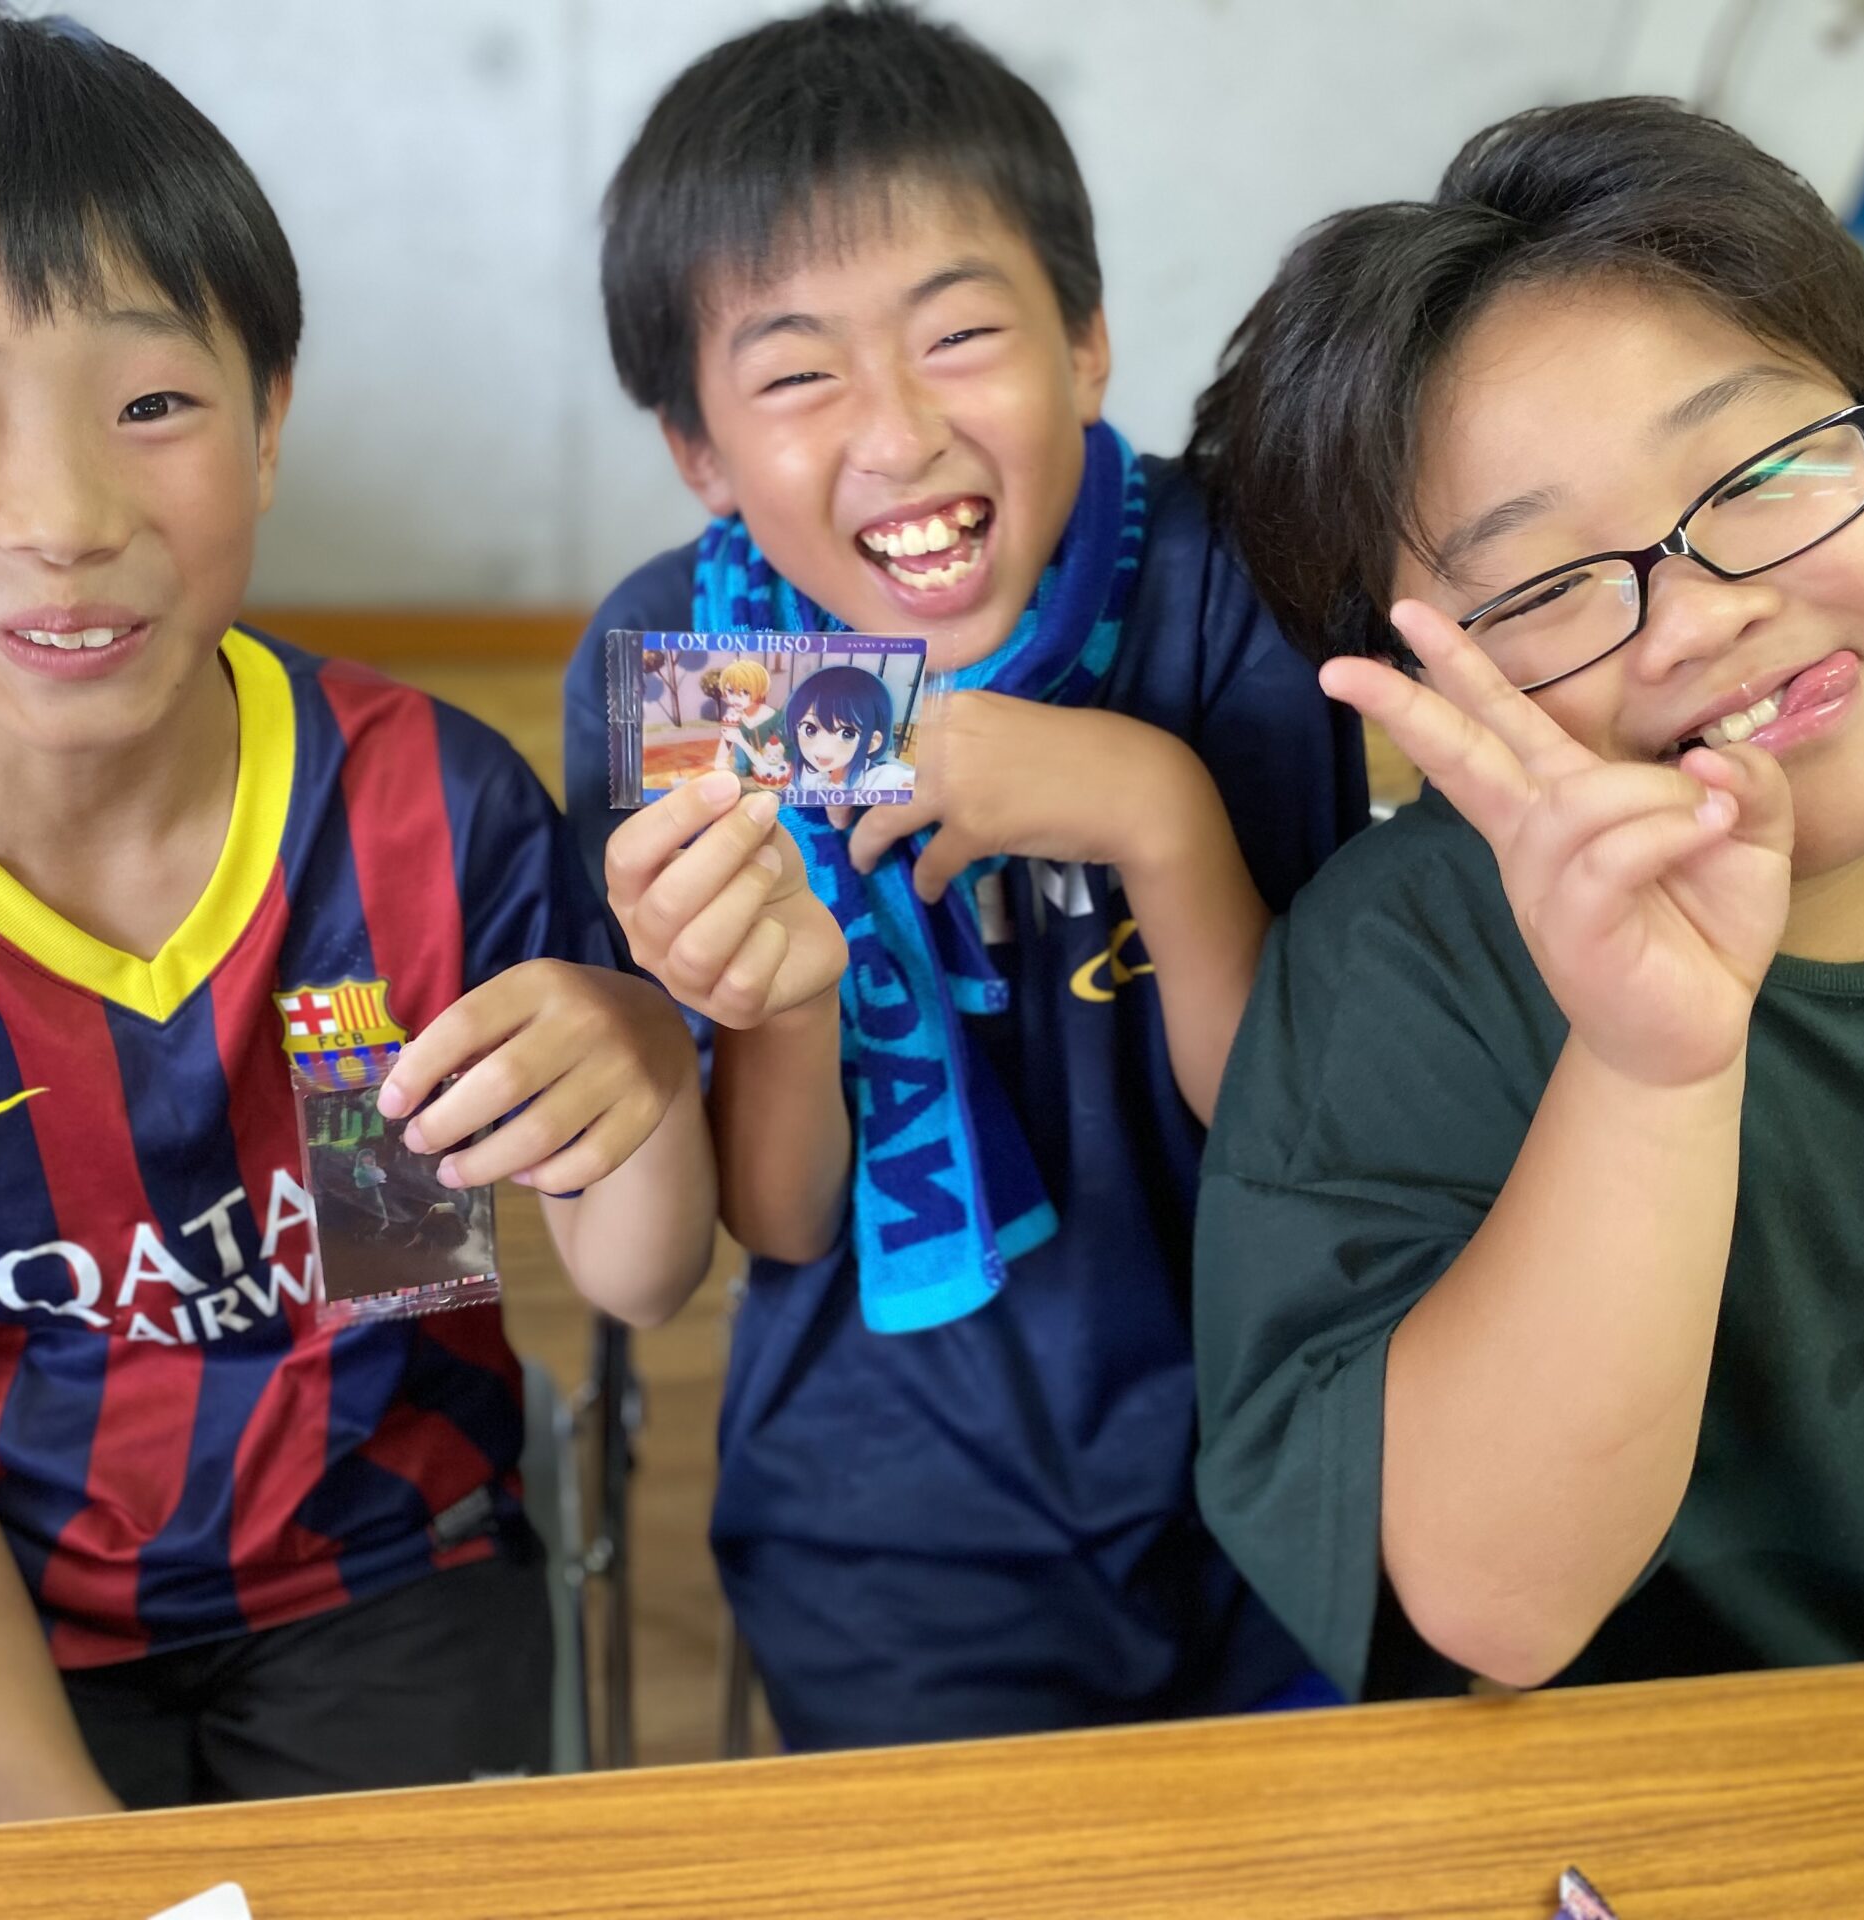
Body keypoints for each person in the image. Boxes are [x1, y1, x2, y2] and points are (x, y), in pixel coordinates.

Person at [0, 1, 730, 1836]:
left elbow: (620, 1275)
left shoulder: (424, 814)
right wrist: (87, 1856)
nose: (65, 514)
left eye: (152, 406)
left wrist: (648, 1064)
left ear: (268, 419)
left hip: (386, 1552)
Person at [1186, 96, 1864, 1700]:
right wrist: (1647, 1068)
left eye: (1759, 469)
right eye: (1546, 587)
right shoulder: (1402, 970)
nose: (1699, 617)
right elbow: (1497, 1605)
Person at [562, 1, 1367, 1749]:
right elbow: (780, 1219)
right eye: (796, 375)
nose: (900, 431)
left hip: (1276, 1452)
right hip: (891, 1520)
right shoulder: (691, 661)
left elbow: (1300, 1130)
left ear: (1085, 345)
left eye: (962, 335)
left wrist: (1156, 809)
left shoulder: (1231, 586)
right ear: (699, 451)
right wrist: (786, 992)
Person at [781, 663, 913, 799]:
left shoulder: (883, 779)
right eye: (810, 729)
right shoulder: (807, 774)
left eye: (847, 734)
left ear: (872, 742)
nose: (823, 749)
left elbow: (907, 783)